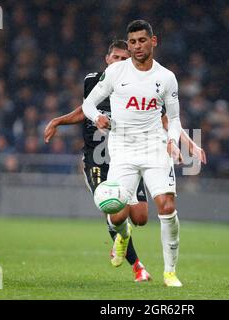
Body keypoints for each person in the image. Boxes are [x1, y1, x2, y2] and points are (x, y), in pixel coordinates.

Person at [44, 39, 206, 284]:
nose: (120, 61)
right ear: (107, 59)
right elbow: (83, 109)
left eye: (124, 57)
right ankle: (138, 266)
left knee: (140, 217)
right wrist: (59, 120)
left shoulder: (136, 84)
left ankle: (123, 236)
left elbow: (165, 118)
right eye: (116, 57)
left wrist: (188, 141)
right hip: (98, 156)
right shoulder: (95, 81)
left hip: (132, 152)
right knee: (113, 208)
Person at [82, 20, 190, 287]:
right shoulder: (116, 72)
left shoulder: (166, 77)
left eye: (142, 40)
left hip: (155, 148)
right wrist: (97, 117)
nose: (137, 46)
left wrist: (173, 142)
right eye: (132, 42)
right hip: (123, 152)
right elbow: (88, 103)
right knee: (116, 213)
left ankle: (170, 272)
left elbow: (174, 119)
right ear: (127, 45)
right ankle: (122, 235)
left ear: (153, 41)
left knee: (167, 207)